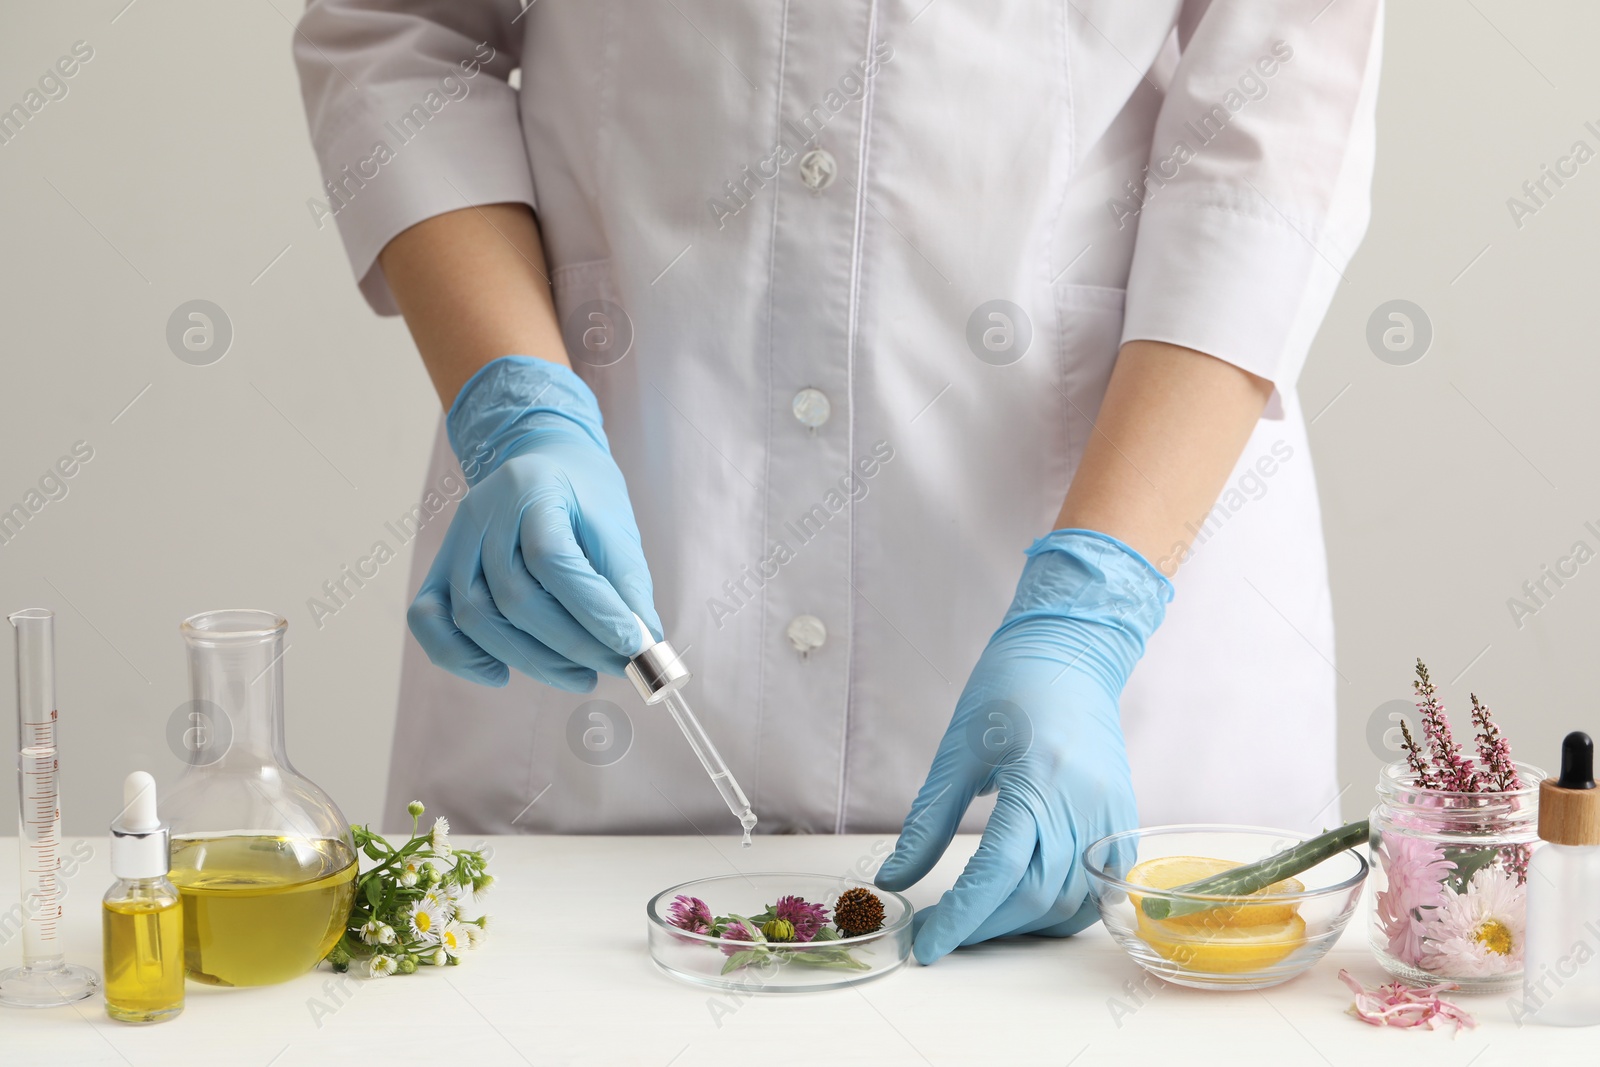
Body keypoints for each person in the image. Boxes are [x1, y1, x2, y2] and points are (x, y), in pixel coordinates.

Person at [293, 1, 1382, 963]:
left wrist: (1092, 606)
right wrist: (516, 401)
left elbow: (1271, 125)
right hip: (621, 637)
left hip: (1118, 594)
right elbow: (401, 28)